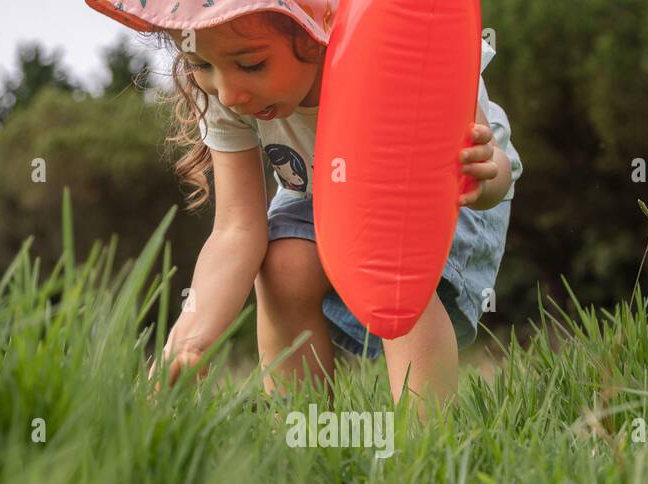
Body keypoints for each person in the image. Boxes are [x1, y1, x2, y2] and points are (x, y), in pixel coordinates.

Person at [87, 0, 523, 407]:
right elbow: (236, 230)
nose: (229, 91)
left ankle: (426, 445)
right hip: (315, 194)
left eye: (252, 63)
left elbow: (494, 181)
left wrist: (483, 176)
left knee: (395, 262)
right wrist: (192, 336)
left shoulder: (395, 53)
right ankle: (303, 434)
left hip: (442, 195)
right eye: (201, 64)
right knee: (282, 267)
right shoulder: (225, 89)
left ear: (314, 31)